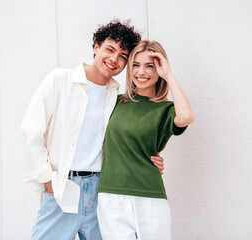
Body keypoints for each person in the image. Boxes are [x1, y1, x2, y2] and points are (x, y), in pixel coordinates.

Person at [20, 21, 165, 240]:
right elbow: (31, 130)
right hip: (63, 189)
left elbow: (126, 136)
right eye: (110, 49)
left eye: (123, 56)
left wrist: (149, 157)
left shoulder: (116, 97)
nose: (114, 59)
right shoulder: (61, 80)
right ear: (96, 46)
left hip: (102, 191)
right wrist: (47, 179)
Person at [97, 40, 195, 240]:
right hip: (111, 195)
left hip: (149, 196)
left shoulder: (165, 110)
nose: (141, 72)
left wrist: (168, 74)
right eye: (136, 65)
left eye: (150, 66)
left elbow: (185, 117)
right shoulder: (114, 102)